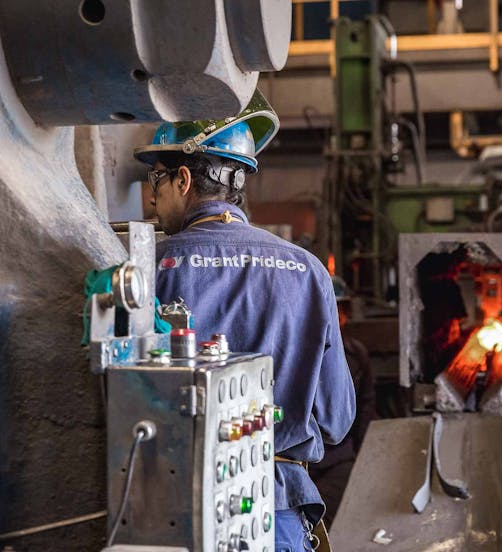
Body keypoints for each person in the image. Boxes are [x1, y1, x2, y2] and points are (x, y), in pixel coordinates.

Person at [134, 91, 356, 552]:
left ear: (181, 179)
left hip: (181, 511)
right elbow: (337, 418)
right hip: (276, 514)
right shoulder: (310, 271)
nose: (152, 198)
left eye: (156, 178)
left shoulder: (150, 268)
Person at [309, 277, 377, 528]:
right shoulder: (292, 351)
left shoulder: (355, 354)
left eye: (339, 312)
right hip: (296, 462)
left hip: (337, 461)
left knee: (321, 525)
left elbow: (366, 407)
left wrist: (364, 457)